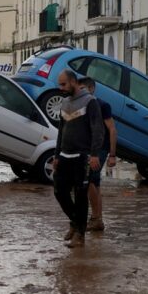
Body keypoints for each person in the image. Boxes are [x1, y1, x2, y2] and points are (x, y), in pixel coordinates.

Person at [53, 70, 105, 248]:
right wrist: (56, 155)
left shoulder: (90, 102)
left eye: (63, 84)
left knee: (81, 196)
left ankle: (80, 235)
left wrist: (94, 154)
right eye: (59, 85)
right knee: (59, 192)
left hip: (83, 157)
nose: (61, 88)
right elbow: (61, 131)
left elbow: (98, 130)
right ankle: (75, 223)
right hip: (64, 156)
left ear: (73, 82)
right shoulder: (65, 102)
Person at [78, 77, 117, 232]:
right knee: (95, 184)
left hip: (100, 149)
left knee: (89, 182)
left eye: (83, 89)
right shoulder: (81, 105)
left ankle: (95, 219)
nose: (80, 92)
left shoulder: (102, 105)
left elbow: (112, 129)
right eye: (79, 89)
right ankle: (97, 220)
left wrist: (112, 155)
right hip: (88, 148)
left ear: (92, 89)